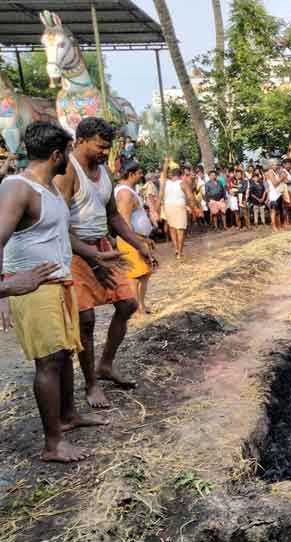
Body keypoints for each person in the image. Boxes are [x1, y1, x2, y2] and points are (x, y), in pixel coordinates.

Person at [0, 122, 111, 462]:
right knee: (47, 363)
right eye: (67, 154)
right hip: (33, 288)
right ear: (56, 154)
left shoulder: (47, 189)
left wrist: (93, 255)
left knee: (62, 355)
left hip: (59, 284)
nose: (69, 162)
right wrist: (6, 287)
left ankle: (68, 417)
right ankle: (53, 444)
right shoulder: (18, 187)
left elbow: (61, 235)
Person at [54, 118, 154, 409]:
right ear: (81, 140)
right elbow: (60, 223)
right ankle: (91, 383)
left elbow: (113, 216)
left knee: (127, 304)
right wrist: (90, 256)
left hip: (103, 247)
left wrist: (138, 244)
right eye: (100, 146)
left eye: (108, 148)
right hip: (75, 252)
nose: (104, 152)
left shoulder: (105, 172)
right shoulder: (68, 172)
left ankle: (105, 365)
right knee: (86, 321)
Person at [114, 161, 155, 319]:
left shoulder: (129, 191)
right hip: (130, 240)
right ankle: (137, 309)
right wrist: (138, 241)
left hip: (138, 239)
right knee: (134, 276)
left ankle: (141, 305)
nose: (142, 176)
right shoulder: (125, 193)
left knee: (144, 273)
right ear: (131, 174)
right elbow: (124, 223)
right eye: (139, 173)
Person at [161, 168, 193, 259]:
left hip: (168, 207)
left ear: (172, 175)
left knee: (172, 228)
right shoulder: (182, 183)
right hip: (179, 207)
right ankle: (180, 251)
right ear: (181, 175)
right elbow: (190, 197)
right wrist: (194, 208)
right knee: (180, 229)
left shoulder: (166, 183)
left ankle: (176, 249)